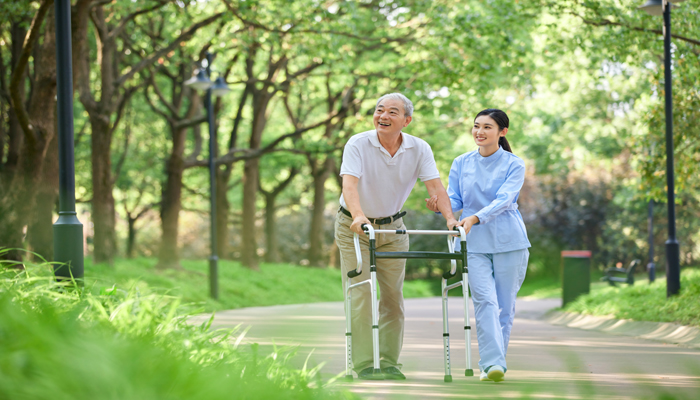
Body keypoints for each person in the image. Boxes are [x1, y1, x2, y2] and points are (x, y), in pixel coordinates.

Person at [335, 93, 458, 380]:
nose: (383, 116)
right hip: (355, 228)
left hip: (394, 229)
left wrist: (450, 218)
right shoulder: (358, 143)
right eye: (380, 111)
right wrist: (358, 216)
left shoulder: (419, 148)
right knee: (362, 293)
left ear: (407, 120)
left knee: (392, 299)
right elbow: (350, 186)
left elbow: (436, 188)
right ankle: (364, 364)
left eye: (392, 112)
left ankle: (388, 362)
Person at [426, 108, 531, 383]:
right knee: (484, 301)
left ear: (502, 132)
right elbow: (455, 200)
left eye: (487, 127)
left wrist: (475, 217)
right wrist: (441, 208)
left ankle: (495, 364)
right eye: (476, 126)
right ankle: (493, 364)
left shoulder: (514, 164)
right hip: (473, 243)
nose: (479, 132)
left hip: (510, 242)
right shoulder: (461, 162)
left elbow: (505, 200)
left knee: (504, 308)